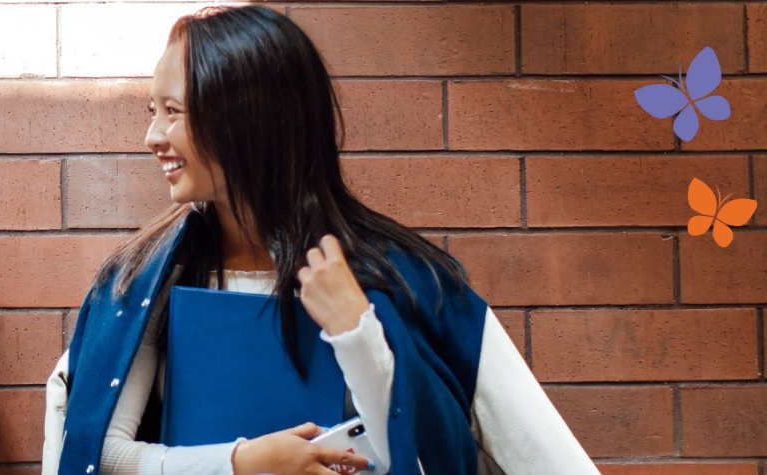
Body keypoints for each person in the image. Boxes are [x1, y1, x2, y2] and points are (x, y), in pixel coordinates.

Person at [42, 6, 598, 475]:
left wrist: (357, 332)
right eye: (151, 111)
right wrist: (242, 462)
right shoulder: (140, 286)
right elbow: (98, 453)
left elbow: (548, 460)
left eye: (173, 112)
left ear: (247, 119)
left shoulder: (414, 284)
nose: (152, 136)